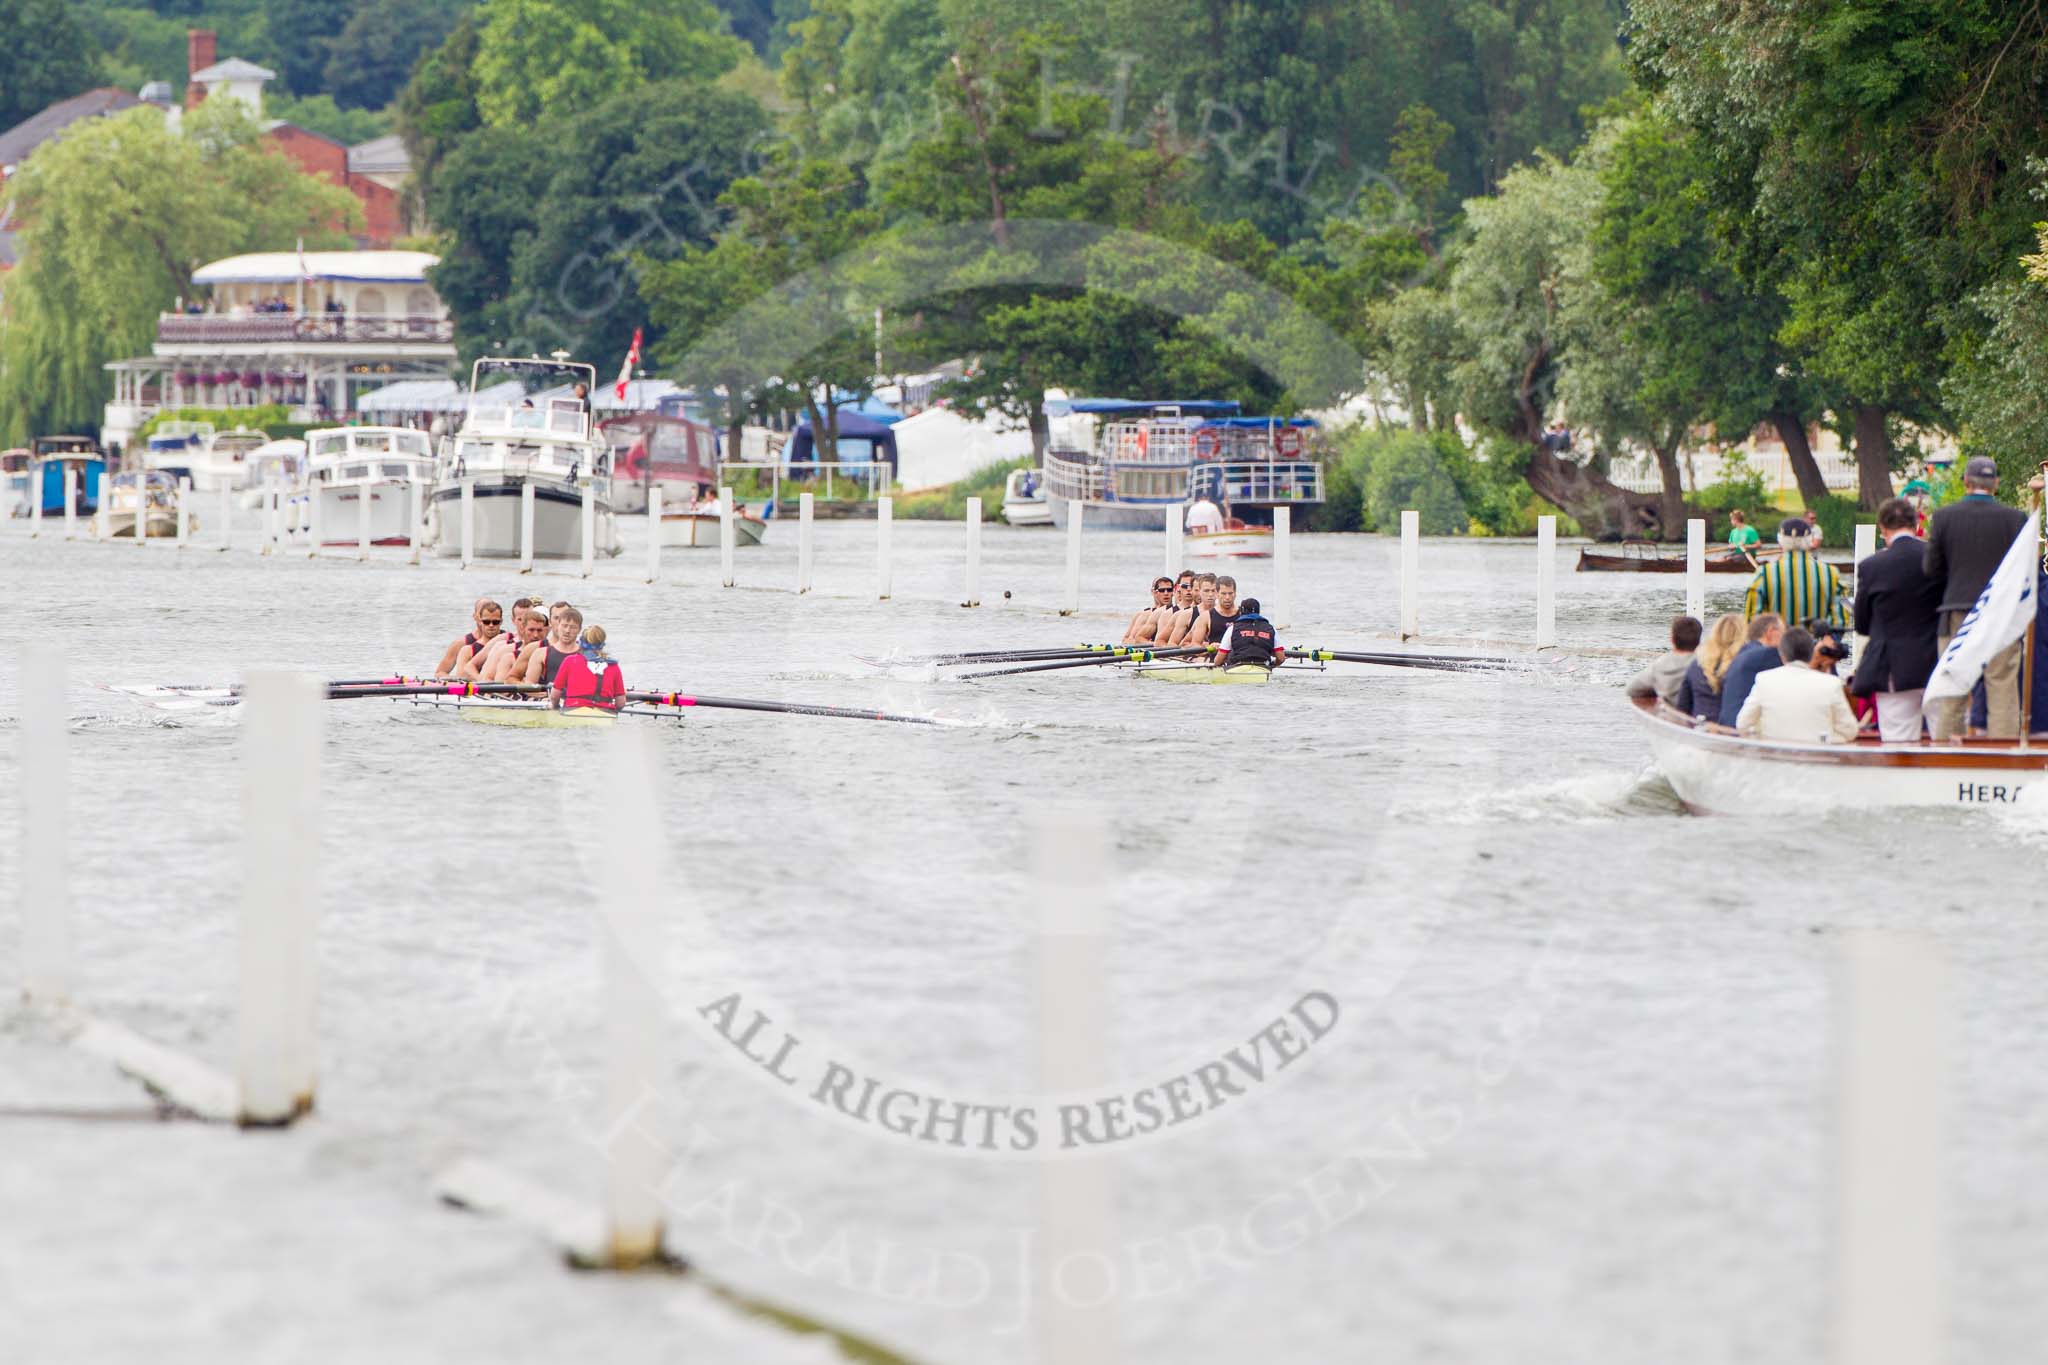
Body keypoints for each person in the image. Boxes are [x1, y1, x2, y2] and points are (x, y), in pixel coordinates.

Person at [1924, 455, 2030, 740]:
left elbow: (1931, 568)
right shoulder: (2016, 519)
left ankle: (1946, 757)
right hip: (2001, 614)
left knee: (1953, 690)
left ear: (1966, 482)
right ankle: (2002, 760)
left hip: (1957, 611)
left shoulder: (1944, 517)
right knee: (2002, 687)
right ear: (1995, 484)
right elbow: (2026, 570)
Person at [1849, 497, 1943, 743]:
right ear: (1915, 523)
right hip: (1937, 659)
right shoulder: (1937, 558)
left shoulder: (1872, 566)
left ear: (1882, 527)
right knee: (1943, 739)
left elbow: (1861, 623)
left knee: (1897, 740)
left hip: (1893, 665)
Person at [1736, 627, 1861, 743]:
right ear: (1812, 652)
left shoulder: (1763, 679)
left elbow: (1743, 725)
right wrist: (1827, 739)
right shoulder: (1831, 683)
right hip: (1818, 759)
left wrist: (1764, 737)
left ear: (1782, 655)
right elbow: (1850, 730)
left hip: (1775, 759)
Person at [1743, 517, 1848, 628]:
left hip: (1777, 644)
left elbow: (1752, 620)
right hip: (1816, 643)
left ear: (1780, 540)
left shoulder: (1764, 573)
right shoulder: (1831, 573)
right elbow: (1840, 621)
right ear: (1810, 540)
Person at [1715, 613, 1785, 729]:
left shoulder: (1742, 654)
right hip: (1743, 730)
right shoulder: (1766, 654)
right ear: (1771, 631)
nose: (1785, 639)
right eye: (1783, 633)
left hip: (1726, 726)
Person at [1677, 613, 1745, 722]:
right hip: (1734, 731)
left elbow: (1682, 708)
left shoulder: (1697, 665)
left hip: (1701, 728)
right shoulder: (1745, 667)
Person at [1626, 615, 1702, 708]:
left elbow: (1632, 689)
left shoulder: (1662, 664)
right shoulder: (1706, 663)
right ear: (1699, 640)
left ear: (1672, 639)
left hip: (1673, 712)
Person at [551, 624, 625, 712]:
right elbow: (621, 702)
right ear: (602, 643)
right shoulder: (613, 666)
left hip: (573, 710)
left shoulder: (570, 661)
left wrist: (555, 707)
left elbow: (555, 695)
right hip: (605, 713)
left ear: (581, 643)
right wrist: (615, 711)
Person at [435, 599, 509, 676]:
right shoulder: (461, 644)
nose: (491, 625)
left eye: (495, 622)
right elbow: (440, 673)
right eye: (486, 621)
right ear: (477, 616)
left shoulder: (510, 640)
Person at [519, 603, 583, 687]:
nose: (567, 630)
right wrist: (542, 695)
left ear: (579, 629)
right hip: (548, 697)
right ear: (558, 626)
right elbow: (529, 685)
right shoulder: (539, 652)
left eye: (573, 627)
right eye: (564, 626)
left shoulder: (586, 653)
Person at [1211, 597, 1285, 670]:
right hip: (1263, 668)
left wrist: (1218, 664)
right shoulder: (1271, 629)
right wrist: (1273, 665)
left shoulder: (1232, 629)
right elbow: (1281, 658)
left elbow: (1218, 661)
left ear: (1241, 612)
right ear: (1258, 611)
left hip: (1237, 668)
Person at [1187, 574, 1238, 649]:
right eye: (1223, 594)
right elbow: (1195, 645)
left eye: (1230, 593)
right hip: (1214, 657)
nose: (1227, 597)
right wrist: (1209, 648)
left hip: (1237, 658)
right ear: (1217, 594)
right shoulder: (1206, 616)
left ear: (1235, 594)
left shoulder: (1243, 614)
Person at [1122, 578, 1175, 645]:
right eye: (1162, 590)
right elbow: (1129, 640)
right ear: (1154, 592)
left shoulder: (1179, 612)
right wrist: (1154, 644)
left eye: (1169, 590)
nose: (1166, 593)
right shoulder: (1145, 615)